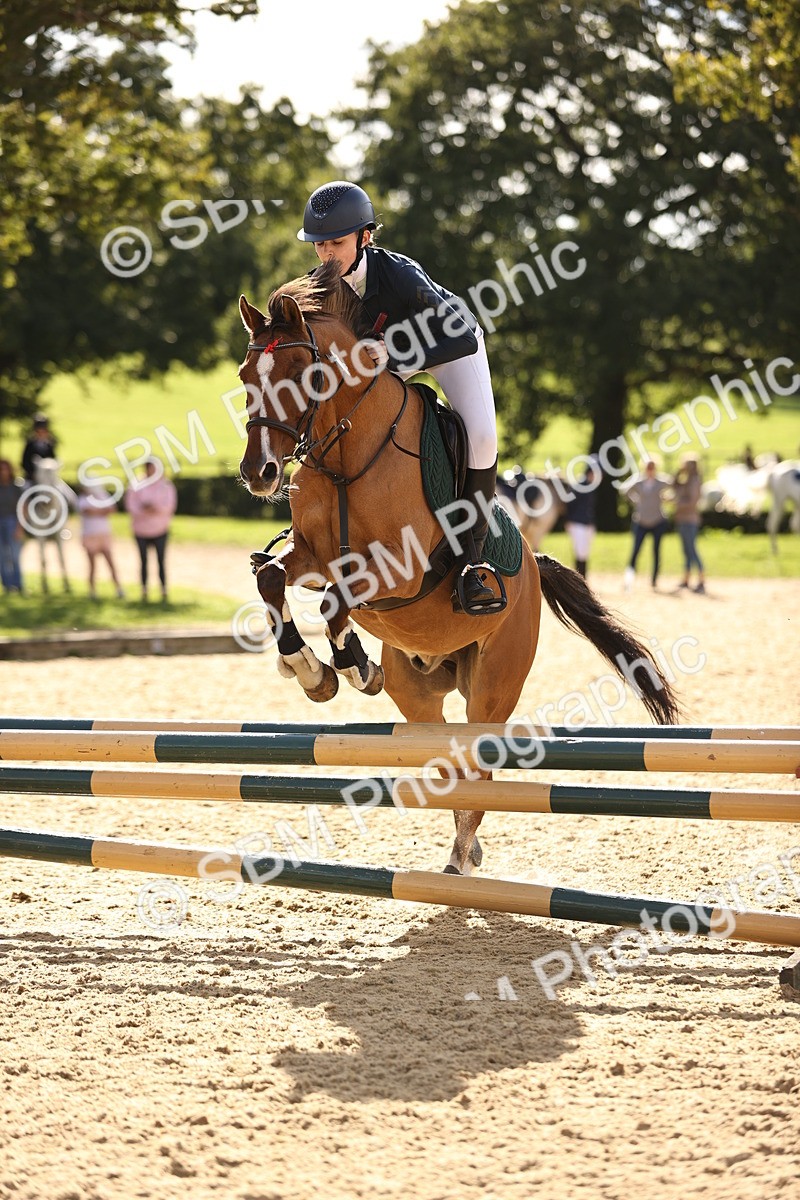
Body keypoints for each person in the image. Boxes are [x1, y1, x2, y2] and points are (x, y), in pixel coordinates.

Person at [297, 180, 502, 616]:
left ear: (365, 237)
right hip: (384, 360)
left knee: (482, 438)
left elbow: (459, 335)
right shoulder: (319, 288)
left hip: (446, 346)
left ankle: (474, 562)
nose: (327, 254)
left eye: (337, 242)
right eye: (319, 245)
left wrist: (393, 352)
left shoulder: (399, 273)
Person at [124, 460, 177, 602]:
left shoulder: (165, 485)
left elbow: (170, 506)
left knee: (161, 560)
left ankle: (163, 589)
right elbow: (131, 505)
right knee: (143, 561)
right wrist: (144, 510)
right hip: (141, 529)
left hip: (160, 529)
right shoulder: (136, 485)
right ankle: (144, 589)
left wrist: (156, 509)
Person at [620, 459, 672, 590]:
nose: (650, 471)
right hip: (641, 520)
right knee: (635, 551)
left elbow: (673, 485)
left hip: (657, 520)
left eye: (652, 468)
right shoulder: (638, 481)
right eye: (648, 468)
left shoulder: (660, 482)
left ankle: (654, 580)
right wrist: (636, 502)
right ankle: (629, 579)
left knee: (656, 551)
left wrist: (668, 498)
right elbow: (625, 491)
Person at [77, 483, 124, 600]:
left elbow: (112, 509)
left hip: (103, 534)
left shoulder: (103, 495)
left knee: (110, 562)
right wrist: (101, 511)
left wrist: (98, 511)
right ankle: (92, 591)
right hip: (90, 535)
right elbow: (87, 511)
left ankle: (118, 588)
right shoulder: (83, 499)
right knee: (92, 565)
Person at [672, 454, 705, 594]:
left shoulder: (695, 482)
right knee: (686, 551)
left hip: (690, 520)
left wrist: (676, 503)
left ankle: (702, 580)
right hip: (683, 519)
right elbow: (674, 485)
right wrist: (677, 473)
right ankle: (686, 579)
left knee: (692, 550)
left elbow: (692, 502)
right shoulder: (686, 481)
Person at [564, 460, 600, 578]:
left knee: (584, 553)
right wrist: (569, 520)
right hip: (578, 523)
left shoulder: (590, 485)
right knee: (580, 553)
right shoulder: (580, 485)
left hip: (586, 523)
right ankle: (580, 579)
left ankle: (583, 578)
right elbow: (569, 504)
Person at [0, 459, 25, 593]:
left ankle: (18, 584)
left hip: (12, 522)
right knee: (2, 556)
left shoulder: (16, 488)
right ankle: (7, 586)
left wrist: (20, 528)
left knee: (15, 555)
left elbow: (23, 508)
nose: (3, 472)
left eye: (5, 469)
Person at [21, 413, 58, 482]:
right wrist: (32, 474)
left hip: (47, 477)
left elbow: (53, 459)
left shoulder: (49, 445)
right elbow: (24, 462)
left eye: (43, 432)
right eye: (38, 432)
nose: (41, 434)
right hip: (31, 477)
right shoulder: (30, 444)